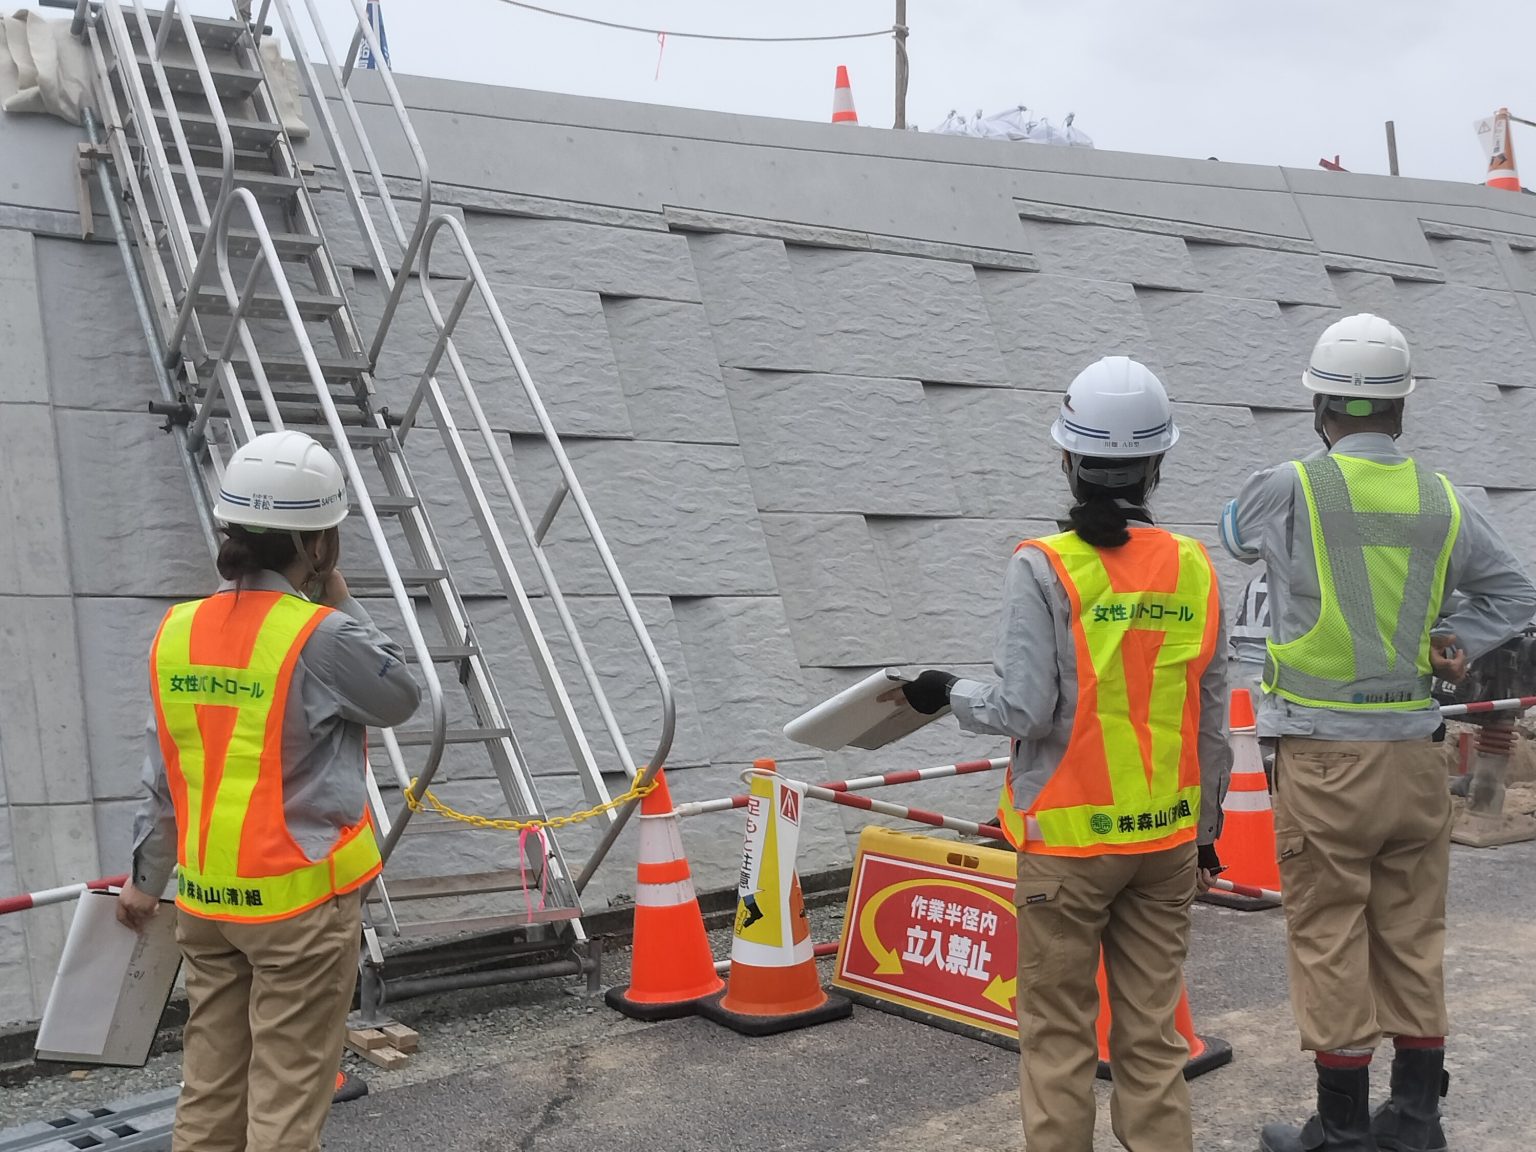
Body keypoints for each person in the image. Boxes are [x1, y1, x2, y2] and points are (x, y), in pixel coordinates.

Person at [1220, 313, 1536, 1152]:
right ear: (1402, 406)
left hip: (1324, 757)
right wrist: (1452, 646)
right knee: (1412, 930)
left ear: (1320, 402)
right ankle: (1418, 1120)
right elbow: (1515, 595)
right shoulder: (1445, 499)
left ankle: (1344, 1130)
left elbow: (1232, 534)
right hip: (1415, 754)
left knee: (1330, 934)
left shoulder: (1287, 485)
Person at [902, 356, 1232, 1152]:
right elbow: (1212, 718)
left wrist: (945, 690)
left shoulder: (1044, 565)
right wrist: (1208, 830)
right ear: (1157, 465)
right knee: (1153, 1039)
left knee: (1058, 1039)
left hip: (1068, 846)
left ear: (1066, 459)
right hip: (1163, 843)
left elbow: (1022, 708)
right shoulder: (1193, 566)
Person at [116, 430, 421, 1152]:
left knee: (211, 1086)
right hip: (297, 909)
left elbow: (166, 776)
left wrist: (144, 880)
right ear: (317, 544)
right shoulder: (319, 635)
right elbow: (402, 695)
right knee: (287, 1094)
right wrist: (341, 601)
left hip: (206, 903)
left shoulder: (177, 631)